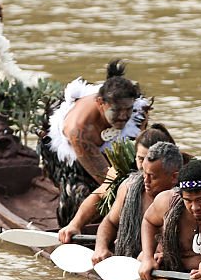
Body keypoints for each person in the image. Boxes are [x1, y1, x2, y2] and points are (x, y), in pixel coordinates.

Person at [39, 60, 150, 224]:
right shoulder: (79, 130)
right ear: (100, 103)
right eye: (117, 110)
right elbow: (107, 180)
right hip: (69, 155)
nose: (123, 116)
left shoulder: (137, 113)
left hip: (109, 145)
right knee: (80, 195)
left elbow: (143, 151)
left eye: (127, 109)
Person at [57, 123, 175, 243]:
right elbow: (99, 195)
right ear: (135, 156)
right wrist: (75, 225)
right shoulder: (123, 171)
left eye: (151, 159)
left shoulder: (178, 172)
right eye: (141, 158)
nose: (145, 165)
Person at [91, 141, 182, 263]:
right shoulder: (129, 187)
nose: (146, 180)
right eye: (144, 173)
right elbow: (110, 222)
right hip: (129, 261)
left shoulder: (187, 201)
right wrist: (100, 247)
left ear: (174, 177)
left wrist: (162, 255)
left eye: (153, 176)